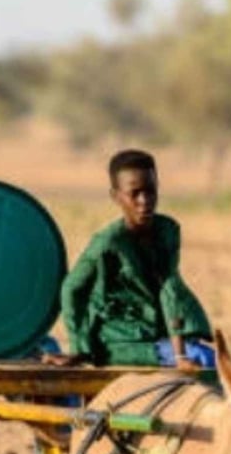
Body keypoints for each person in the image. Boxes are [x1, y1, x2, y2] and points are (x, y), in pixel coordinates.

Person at [48, 148, 213, 370]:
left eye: (150, 191)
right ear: (116, 196)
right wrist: (80, 349)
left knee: (208, 359)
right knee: (205, 359)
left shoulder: (167, 230)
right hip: (121, 341)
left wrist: (180, 354)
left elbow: (170, 288)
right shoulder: (107, 243)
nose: (144, 201)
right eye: (134, 193)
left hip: (159, 335)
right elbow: (71, 289)